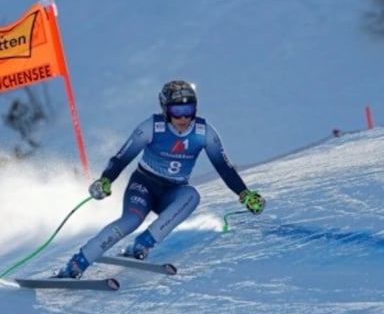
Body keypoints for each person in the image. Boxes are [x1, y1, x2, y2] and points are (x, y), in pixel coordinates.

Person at [54, 80, 265, 279]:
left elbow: (224, 168)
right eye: (177, 111)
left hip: (172, 191)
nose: (183, 119)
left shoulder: (203, 132)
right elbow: (122, 157)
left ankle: (142, 244)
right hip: (144, 185)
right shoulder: (152, 127)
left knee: (192, 196)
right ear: (165, 110)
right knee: (131, 220)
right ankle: (76, 265)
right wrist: (105, 180)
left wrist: (244, 194)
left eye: (188, 110)